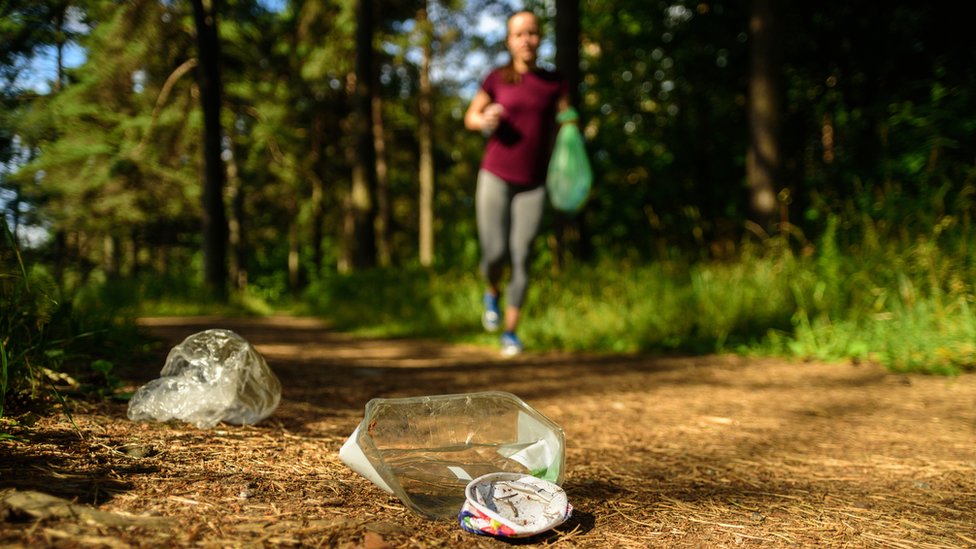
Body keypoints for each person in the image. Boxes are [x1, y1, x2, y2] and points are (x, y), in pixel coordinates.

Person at [464, 10, 571, 357]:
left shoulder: (555, 82)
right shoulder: (496, 79)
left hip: (534, 183)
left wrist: (572, 132)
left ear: (540, 38)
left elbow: (566, 120)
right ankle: (492, 290)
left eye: (533, 33)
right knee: (495, 253)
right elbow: (471, 116)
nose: (527, 39)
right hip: (495, 174)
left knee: (522, 255)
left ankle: (510, 332)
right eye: (519, 34)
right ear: (509, 41)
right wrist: (485, 118)